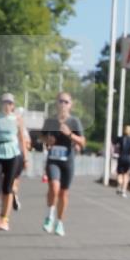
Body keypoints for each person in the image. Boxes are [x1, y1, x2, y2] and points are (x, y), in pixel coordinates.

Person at [41, 91, 85, 236]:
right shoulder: (50, 121)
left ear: (70, 105)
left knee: (63, 194)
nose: (63, 104)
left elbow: (83, 142)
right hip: (53, 159)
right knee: (54, 187)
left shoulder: (74, 122)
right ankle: (50, 216)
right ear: (56, 103)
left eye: (66, 102)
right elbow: (41, 138)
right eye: (61, 101)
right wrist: (48, 141)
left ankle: (60, 223)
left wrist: (70, 134)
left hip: (68, 161)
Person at [0, 93, 29, 231]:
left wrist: (25, 158)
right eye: (5, 102)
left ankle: (5, 219)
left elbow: (22, 139)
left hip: (13, 154)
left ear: (13, 105)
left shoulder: (18, 119)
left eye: (10, 103)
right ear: (1, 104)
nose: (7, 105)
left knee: (8, 188)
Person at [114, 125, 130, 198]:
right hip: (129, 158)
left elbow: (115, 146)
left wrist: (117, 151)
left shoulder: (120, 138)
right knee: (126, 175)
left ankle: (119, 185)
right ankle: (123, 191)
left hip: (121, 157)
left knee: (119, 174)